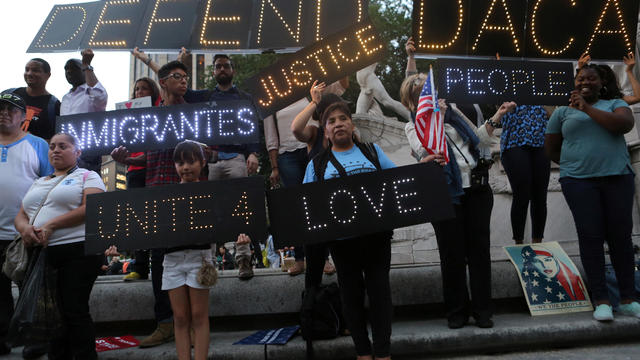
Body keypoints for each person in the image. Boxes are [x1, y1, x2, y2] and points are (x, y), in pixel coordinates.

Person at [400, 71, 515, 329]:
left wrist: (498, 116)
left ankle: (483, 310)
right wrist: (436, 116)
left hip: (476, 189)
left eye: (430, 87)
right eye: (421, 90)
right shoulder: (413, 125)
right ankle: (456, 312)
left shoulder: (455, 114)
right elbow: (427, 150)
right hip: (444, 193)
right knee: (451, 255)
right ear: (413, 100)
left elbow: (480, 138)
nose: (429, 92)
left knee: (479, 252)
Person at [545, 64, 640, 321]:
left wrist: (586, 109)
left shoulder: (615, 103)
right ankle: (602, 300)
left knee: (620, 237)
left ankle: (629, 299)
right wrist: (574, 164)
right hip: (579, 182)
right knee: (591, 236)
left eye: (590, 78)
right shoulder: (562, 111)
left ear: (602, 82)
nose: (584, 82)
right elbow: (551, 148)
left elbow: (623, 124)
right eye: (580, 78)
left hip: (617, 177)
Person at [303, 102, 396, 360]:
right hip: (342, 244)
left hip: (377, 239)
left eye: (343, 118)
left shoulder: (372, 152)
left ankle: (383, 352)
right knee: (351, 297)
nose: (338, 123)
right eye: (331, 121)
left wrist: (426, 165)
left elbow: (399, 179)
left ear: (352, 124)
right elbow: (306, 204)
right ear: (326, 131)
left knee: (380, 295)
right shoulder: (317, 165)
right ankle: (363, 353)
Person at [14, 132, 105, 359]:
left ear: (77, 152)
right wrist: (25, 229)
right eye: (52, 146)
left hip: (78, 252)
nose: (55, 150)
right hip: (41, 254)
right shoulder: (38, 182)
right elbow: (21, 214)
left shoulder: (88, 176)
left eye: (63, 146)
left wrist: (51, 225)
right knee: (51, 314)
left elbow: (91, 208)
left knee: (74, 310)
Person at [0, 93, 52, 356]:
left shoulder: (39, 145)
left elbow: (49, 184)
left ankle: (34, 340)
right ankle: (2, 340)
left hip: (25, 233)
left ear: (23, 117)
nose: (5, 113)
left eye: (12, 109)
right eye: (1, 108)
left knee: (32, 290)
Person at [163, 140, 215, 360]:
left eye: (191, 161)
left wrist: (240, 235)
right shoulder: (165, 196)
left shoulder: (211, 192)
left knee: (198, 315)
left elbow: (223, 223)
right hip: (172, 260)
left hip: (199, 258)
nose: (186, 167)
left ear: (202, 162)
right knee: (181, 317)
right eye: (180, 162)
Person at [112, 76, 162, 282]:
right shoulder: (128, 115)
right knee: (139, 222)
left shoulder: (161, 109)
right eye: (137, 90)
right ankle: (140, 267)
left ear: (154, 92)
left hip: (155, 171)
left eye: (144, 89)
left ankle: (159, 266)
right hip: (134, 171)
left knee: (158, 220)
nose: (139, 93)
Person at [500, 104, 551, 244]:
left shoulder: (544, 87)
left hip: (541, 142)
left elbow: (553, 114)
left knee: (540, 197)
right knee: (521, 195)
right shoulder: (509, 86)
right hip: (515, 141)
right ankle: (519, 245)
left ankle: (537, 244)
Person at [60, 49, 108, 173]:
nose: (69, 71)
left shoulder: (91, 93)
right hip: (65, 153)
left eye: (74, 68)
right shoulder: (65, 98)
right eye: (66, 69)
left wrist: (87, 65)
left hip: (88, 153)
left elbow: (100, 96)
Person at [5, 58, 60, 141]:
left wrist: (31, 139)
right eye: (27, 70)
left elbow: (56, 140)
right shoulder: (10, 94)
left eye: (35, 70)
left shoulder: (54, 105)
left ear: (48, 75)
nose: (29, 73)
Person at [520, 244, 587, 305]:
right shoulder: (530, 279)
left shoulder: (570, 277)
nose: (545, 265)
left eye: (548, 260)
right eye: (537, 261)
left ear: (555, 261)